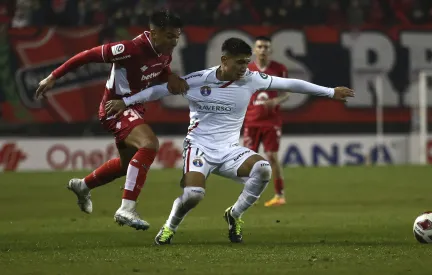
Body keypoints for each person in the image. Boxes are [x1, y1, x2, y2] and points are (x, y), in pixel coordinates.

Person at [105, 38, 354, 244]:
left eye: (247, 62)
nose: (245, 67)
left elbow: (291, 84)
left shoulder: (252, 79)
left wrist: (330, 92)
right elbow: (158, 91)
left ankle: (234, 215)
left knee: (263, 168)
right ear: (224, 60)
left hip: (229, 150)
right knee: (193, 195)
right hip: (199, 146)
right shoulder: (197, 80)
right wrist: (125, 102)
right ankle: (169, 227)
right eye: (240, 63)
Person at [35, 10, 189, 231]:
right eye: (170, 36)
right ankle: (126, 208)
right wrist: (53, 77)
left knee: (127, 165)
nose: (174, 41)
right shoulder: (129, 49)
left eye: (177, 36)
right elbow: (87, 55)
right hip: (114, 108)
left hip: (134, 108)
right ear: (154, 34)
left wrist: (170, 76)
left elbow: (160, 68)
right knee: (150, 144)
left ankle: (82, 185)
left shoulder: (165, 51)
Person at [245, 36, 289, 207]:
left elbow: (287, 93)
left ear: (270, 51)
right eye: (260, 47)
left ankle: (279, 195)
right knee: (249, 160)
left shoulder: (279, 69)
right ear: (255, 50)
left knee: (272, 157)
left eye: (266, 47)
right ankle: (251, 195)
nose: (263, 50)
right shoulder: (247, 70)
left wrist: (276, 101)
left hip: (271, 121)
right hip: (252, 120)